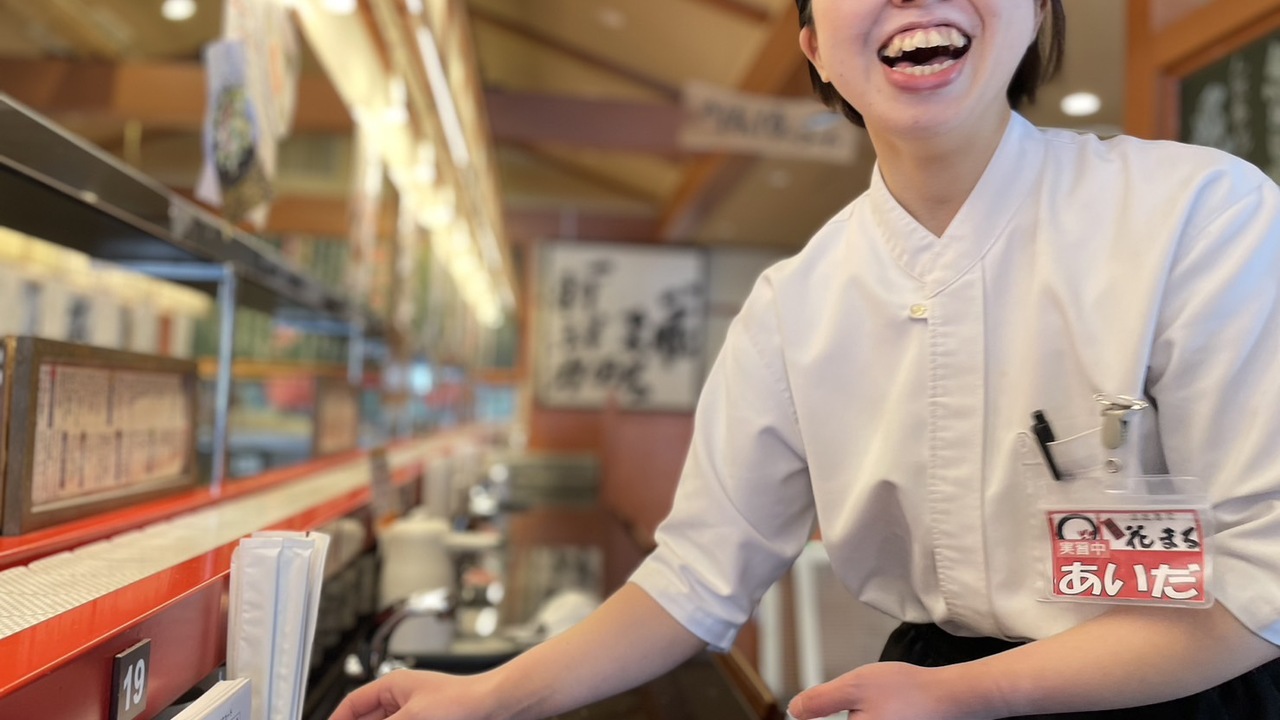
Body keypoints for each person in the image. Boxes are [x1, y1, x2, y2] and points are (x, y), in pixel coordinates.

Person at [331, 1, 1280, 718]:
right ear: (816, 47)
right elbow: (697, 575)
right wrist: (488, 695)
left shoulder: (1199, 216)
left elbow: (1259, 579)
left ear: (1037, 9)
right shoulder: (795, 304)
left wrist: (971, 696)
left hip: (1192, 688)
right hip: (924, 690)